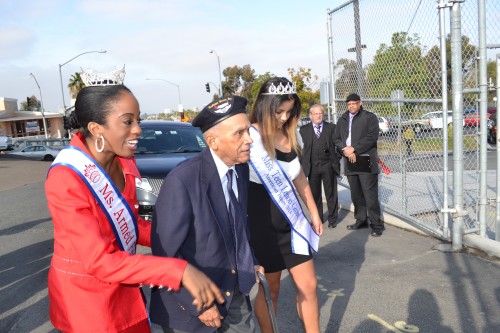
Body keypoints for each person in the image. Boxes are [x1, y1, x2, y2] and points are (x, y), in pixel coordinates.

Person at [45, 77, 224, 333]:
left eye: (138, 120)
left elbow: (139, 222)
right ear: (97, 128)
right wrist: (179, 270)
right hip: (87, 303)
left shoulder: (126, 162)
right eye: (128, 121)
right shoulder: (66, 177)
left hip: (127, 287)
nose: (138, 129)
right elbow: (100, 261)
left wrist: (192, 238)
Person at [149, 95, 263, 333]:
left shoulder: (239, 169)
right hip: (191, 309)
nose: (250, 140)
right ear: (212, 141)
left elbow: (238, 224)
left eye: (249, 131)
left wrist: (250, 259)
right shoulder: (182, 181)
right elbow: (165, 255)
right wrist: (198, 305)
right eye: (239, 133)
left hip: (234, 294)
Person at [248, 77, 323, 333]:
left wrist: (313, 211)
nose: (283, 117)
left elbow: (299, 177)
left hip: (292, 224)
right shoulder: (249, 137)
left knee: (309, 286)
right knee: (272, 291)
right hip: (261, 226)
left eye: (289, 112)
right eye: (279, 111)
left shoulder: (289, 135)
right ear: (264, 106)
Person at [333, 93, 385, 237]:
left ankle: (376, 224)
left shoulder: (369, 117)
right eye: (349, 104)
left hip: (364, 159)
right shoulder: (342, 119)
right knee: (356, 194)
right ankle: (361, 220)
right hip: (349, 159)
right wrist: (346, 150)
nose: (351, 106)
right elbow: (336, 138)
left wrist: (354, 148)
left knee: (370, 195)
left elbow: (372, 137)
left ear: (360, 103)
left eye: (354, 104)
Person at [299, 104, 341, 228]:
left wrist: (337, 158)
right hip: (312, 167)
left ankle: (333, 219)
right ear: (311, 115)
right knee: (315, 194)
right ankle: (318, 218)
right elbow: (300, 149)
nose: (318, 116)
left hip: (328, 165)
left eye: (320, 113)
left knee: (331, 193)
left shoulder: (331, 128)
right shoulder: (304, 130)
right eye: (316, 114)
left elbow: (339, 144)